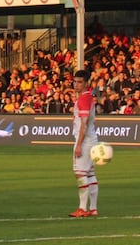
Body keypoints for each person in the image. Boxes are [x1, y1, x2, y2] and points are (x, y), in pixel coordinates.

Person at [69, 70, 99, 217]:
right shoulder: (87, 98)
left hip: (85, 141)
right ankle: (93, 208)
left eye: (80, 82)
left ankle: (82, 208)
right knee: (90, 173)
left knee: (80, 174)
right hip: (92, 140)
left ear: (86, 83)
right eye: (75, 81)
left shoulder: (84, 99)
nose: (76, 84)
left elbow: (84, 124)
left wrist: (79, 144)